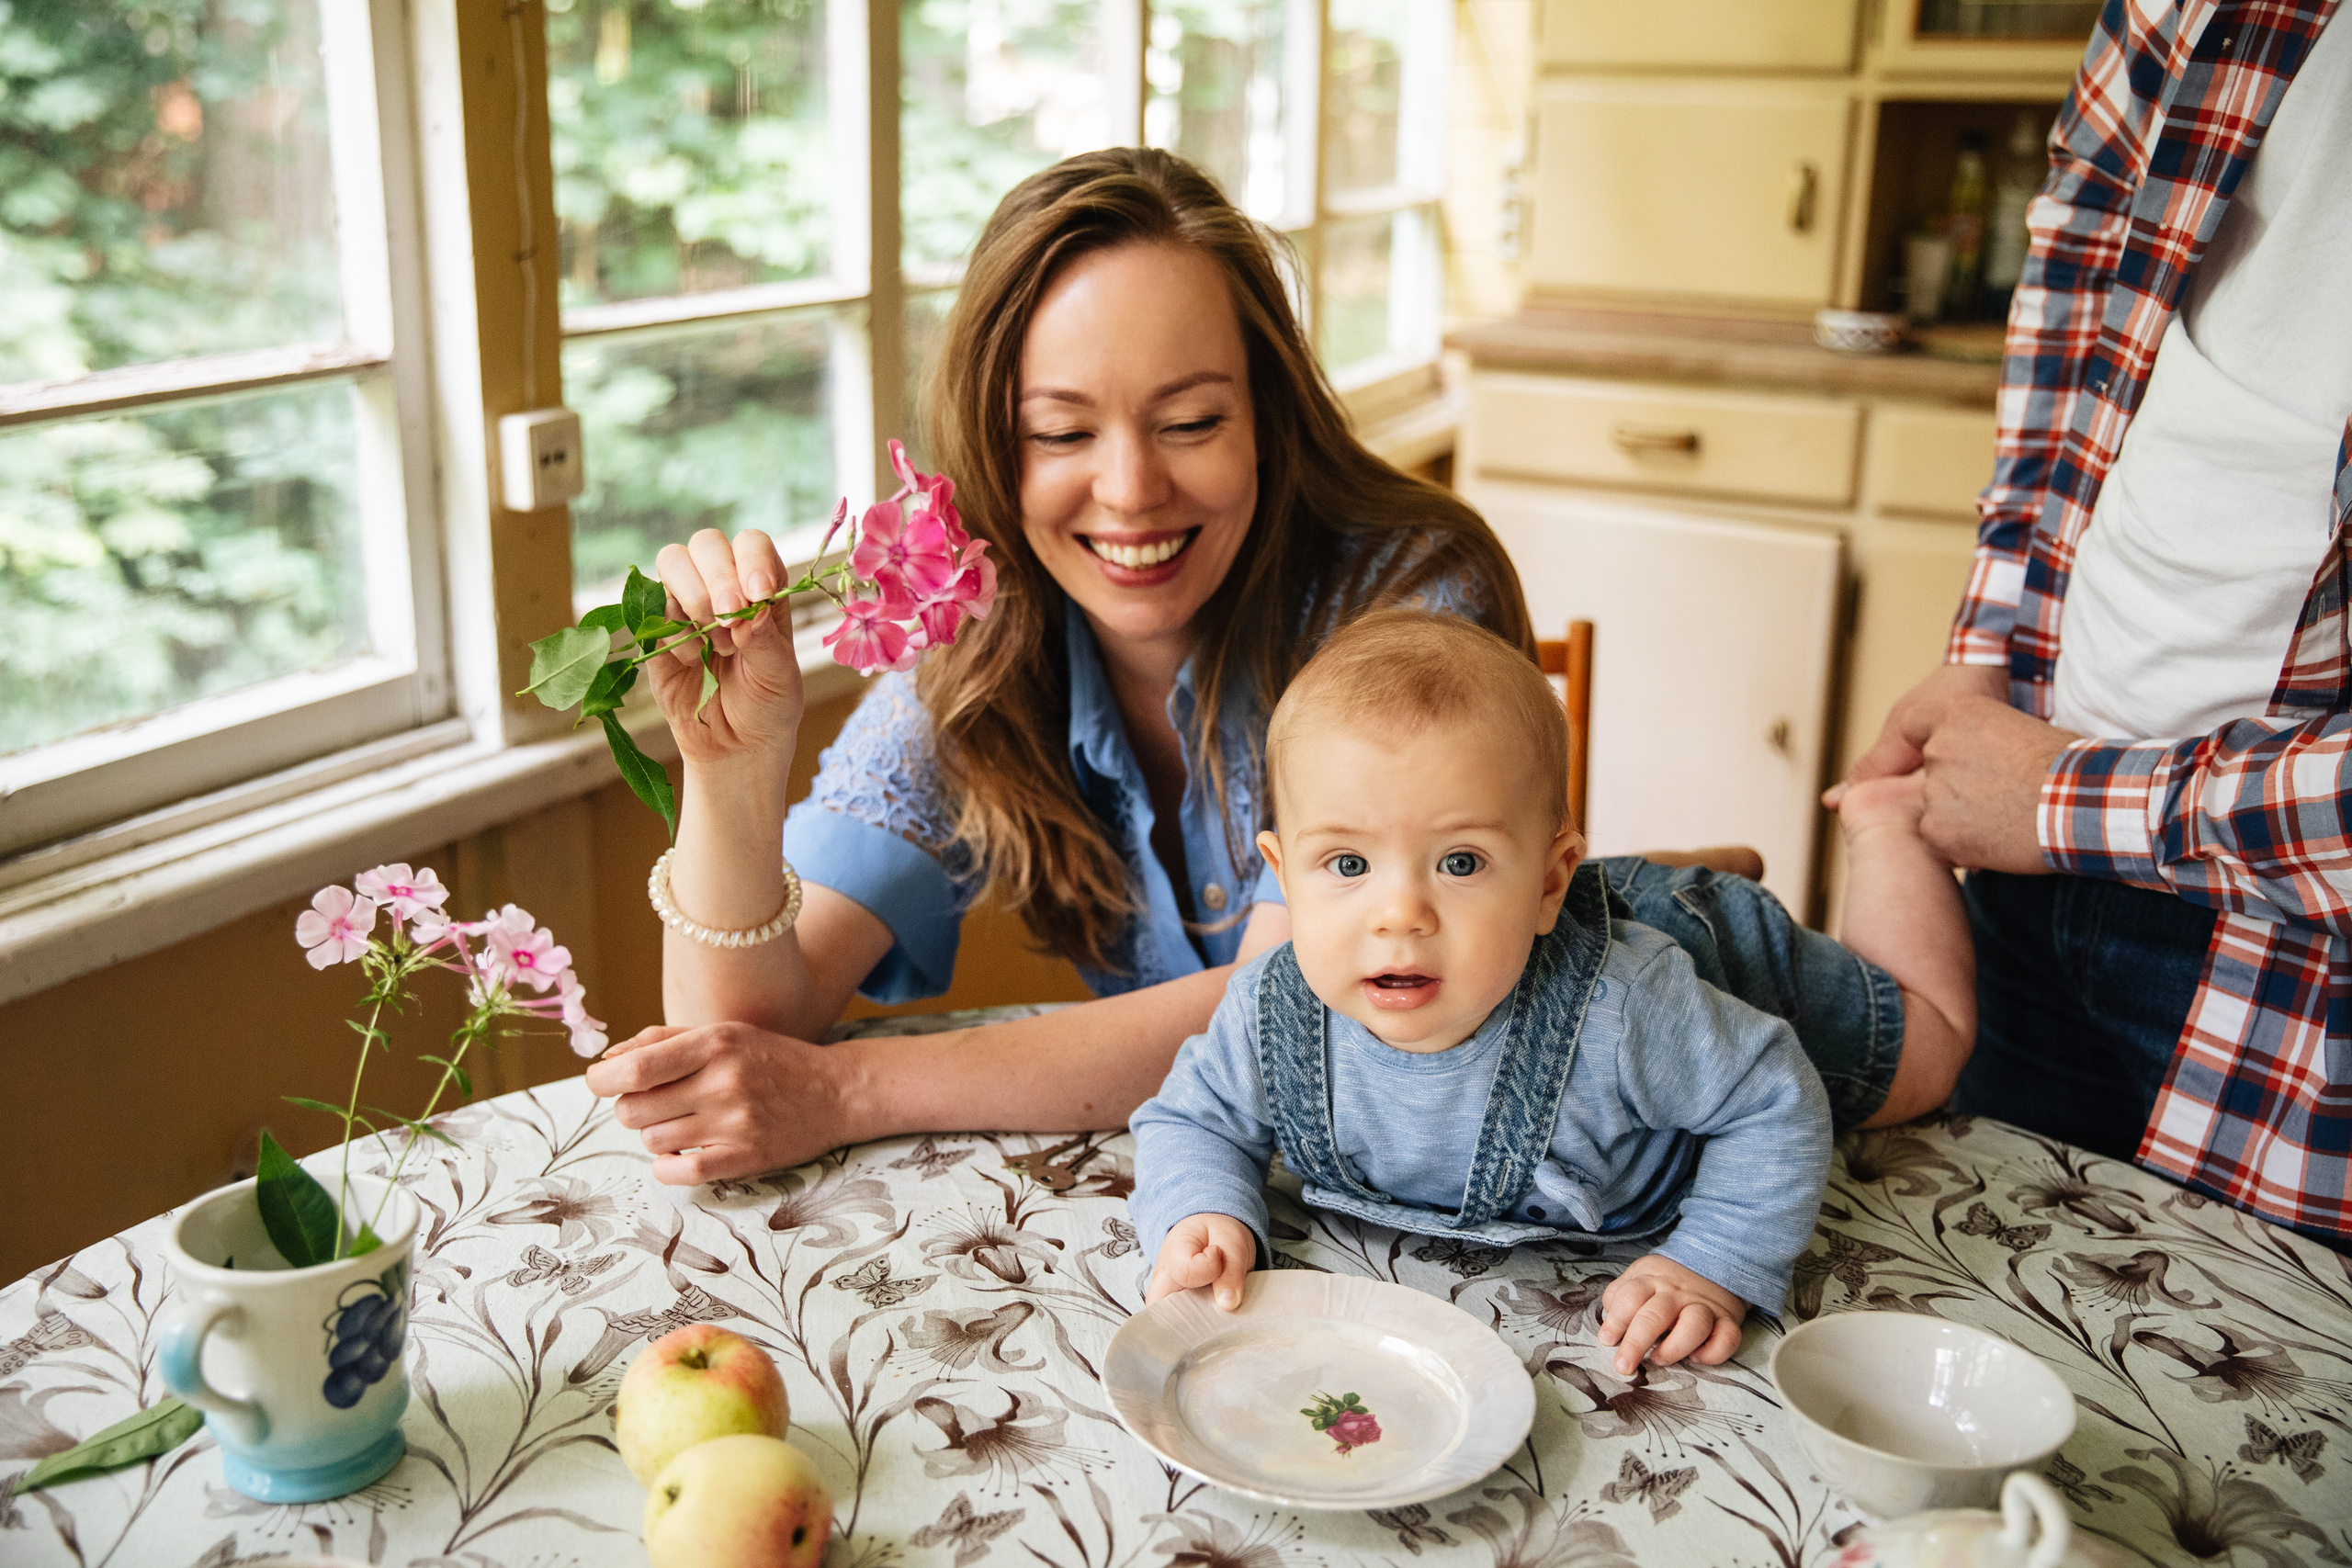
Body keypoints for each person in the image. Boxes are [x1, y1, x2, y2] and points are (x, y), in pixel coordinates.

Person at [586, 148, 1957, 1187]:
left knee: (1927, 1049)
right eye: (1061, 433)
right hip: (1268, 1181)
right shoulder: (978, 648)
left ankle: (1877, 823)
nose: (1131, 490)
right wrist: (733, 775)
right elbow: (744, 1039)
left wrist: (852, 1095)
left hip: (1545, 1133)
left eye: (1190, 420)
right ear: (994, 450)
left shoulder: (1404, 596)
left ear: (1268, 414)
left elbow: (1283, 998)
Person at [1132, 612, 1975, 1375]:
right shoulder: (1269, 1010)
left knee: (1931, 1055)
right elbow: (1192, 1119)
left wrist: (1715, 1260)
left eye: (1460, 861)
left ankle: (1884, 821)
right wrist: (1203, 1210)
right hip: (1599, 947)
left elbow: (1773, 1096)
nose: (1400, 914)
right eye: (1348, 863)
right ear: (1284, 876)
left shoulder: (1626, 1010)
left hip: (1723, 961)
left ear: (1547, 881)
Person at [1838, 2, 2351, 1247]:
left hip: (2292, 976)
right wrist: (1989, 648)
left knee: (2228, 1355)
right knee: (1974, 1276)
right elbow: (2077, 299)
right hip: (2031, 845)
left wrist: (2063, 800)